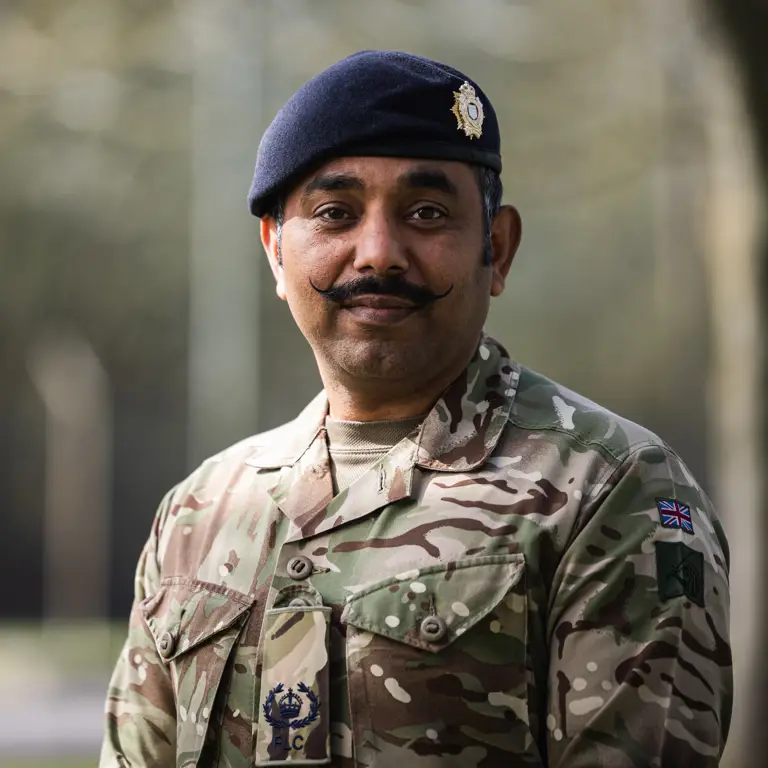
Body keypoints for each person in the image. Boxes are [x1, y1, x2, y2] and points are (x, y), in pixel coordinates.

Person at [100, 51, 732, 768]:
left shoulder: (609, 492)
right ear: (276, 251)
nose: (379, 253)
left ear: (496, 248)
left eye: (427, 213)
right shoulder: (201, 512)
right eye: (335, 213)